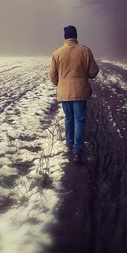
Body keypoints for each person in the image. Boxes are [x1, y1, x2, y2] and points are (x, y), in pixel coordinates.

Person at [49, 25, 99, 163]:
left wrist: (61, 83)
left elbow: (52, 76)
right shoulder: (85, 51)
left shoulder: (57, 53)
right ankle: (77, 150)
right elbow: (93, 72)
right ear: (76, 36)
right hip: (80, 91)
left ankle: (70, 144)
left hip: (64, 91)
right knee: (80, 120)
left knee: (69, 118)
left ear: (65, 37)